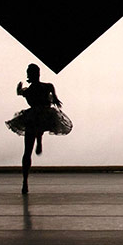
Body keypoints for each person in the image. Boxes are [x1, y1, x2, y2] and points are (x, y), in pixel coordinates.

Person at [6, 63, 72, 194]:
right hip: (41, 117)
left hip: (36, 117)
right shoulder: (45, 87)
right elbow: (53, 98)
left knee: (28, 150)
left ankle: (25, 181)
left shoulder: (30, 91)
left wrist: (19, 90)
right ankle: (39, 140)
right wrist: (54, 99)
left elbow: (21, 92)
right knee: (35, 134)